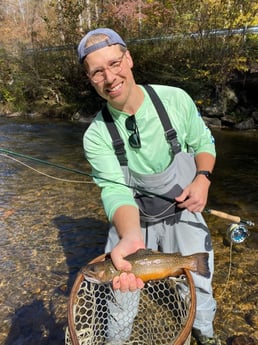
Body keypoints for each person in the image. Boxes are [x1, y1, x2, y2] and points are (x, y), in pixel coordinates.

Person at [77, 28, 221, 345]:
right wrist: (129, 237)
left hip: (182, 207)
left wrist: (203, 178)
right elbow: (115, 190)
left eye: (114, 63)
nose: (109, 77)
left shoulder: (175, 100)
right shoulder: (96, 136)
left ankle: (205, 334)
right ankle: (118, 339)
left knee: (197, 281)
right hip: (133, 218)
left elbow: (204, 142)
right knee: (120, 290)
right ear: (91, 80)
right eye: (97, 72)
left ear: (128, 59)